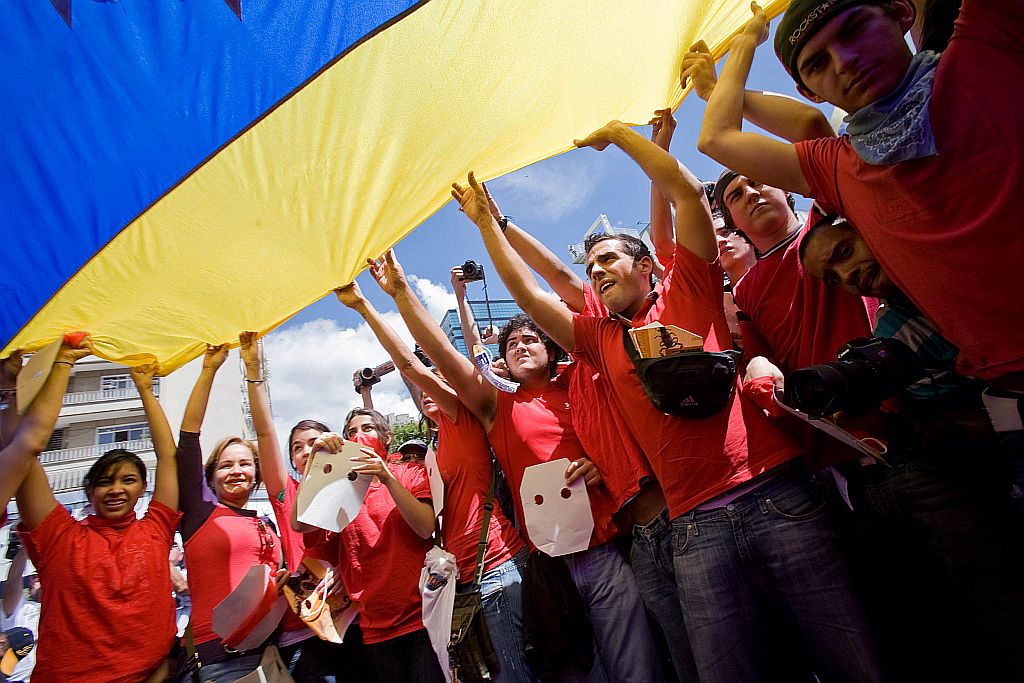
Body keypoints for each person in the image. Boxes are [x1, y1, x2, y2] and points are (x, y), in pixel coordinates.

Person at [456, 112, 883, 681]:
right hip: (692, 531)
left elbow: (683, 190)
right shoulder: (599, 339)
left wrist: (625, 136)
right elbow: (535, 300)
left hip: (777, 494)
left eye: (609, 258)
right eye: (591, 266)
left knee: (855, 660)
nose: (597, 270)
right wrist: (488, 225)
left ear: (647, 267)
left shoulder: (693, 288)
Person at [367, 249, 662, 683]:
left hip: (605, 552)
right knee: (575, 674)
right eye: (511, 344)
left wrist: (601, 467)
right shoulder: (495, 406)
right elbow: (439, 355)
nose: (520, 346)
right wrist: (399, 293)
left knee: (637, 670)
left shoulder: (583, 380)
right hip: (547, 567)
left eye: (530, 339)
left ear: (550, 347)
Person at [697, 0, 1024, 386]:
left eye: (853, 29)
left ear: (901, 11)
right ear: (810, 91)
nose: (845, 61)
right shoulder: (842, 167)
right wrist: (737, 55)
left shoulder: (987, 44)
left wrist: (731, 66)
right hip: (1006, 384)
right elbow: (717, 137)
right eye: (817, 64)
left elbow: (800, 123)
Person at [798, 216, 1024, 677]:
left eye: (844, 254)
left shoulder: (958, 259)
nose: (847, 277)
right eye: (833, 279)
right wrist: (884, 423)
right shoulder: (891, 334)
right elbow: (961, 429)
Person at [338, 282, 536, 683]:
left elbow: (411, 368)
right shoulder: (435, 443)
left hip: (496, 564)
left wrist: (366, 306)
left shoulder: (459, 417)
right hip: (466, 576)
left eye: (436, 379)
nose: (425, 390)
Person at [14, 347, 181, 683]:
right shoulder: (58, 536)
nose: (116, 489)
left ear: (142, 488)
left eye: (128, 480)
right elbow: (26, 452)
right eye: (105, 482)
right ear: (89, 491)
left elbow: (167, 457)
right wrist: (62, 365)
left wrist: (145, 388)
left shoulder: (156, 529)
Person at [297, 408, 443, 683]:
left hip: (422, 619)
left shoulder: (411, 473)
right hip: (375, 628)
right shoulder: (342, 488)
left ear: (386, 437)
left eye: (367, 428)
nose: (359, 435)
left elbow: (425, 527)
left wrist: (386, 477)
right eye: (352, 432)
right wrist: (315, 463)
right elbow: (300, 523)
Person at [175, 343, 286, 682]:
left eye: (244, 463)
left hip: (273, 656)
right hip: (217, 659)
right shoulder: (199, 513)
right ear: (210, 476)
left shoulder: (267, 524)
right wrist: (209, 370)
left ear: (256, 472)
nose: (236, 471)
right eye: (225, 465)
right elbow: (188, 440)